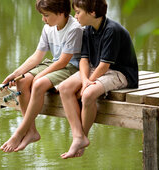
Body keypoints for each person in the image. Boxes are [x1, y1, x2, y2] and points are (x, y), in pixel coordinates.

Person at [58, 0, 139, 159]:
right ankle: (78, 137)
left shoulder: (112, 30)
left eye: (78, 12)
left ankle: (83, 135)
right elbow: (84, 60)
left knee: (88, 94)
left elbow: (105, 65)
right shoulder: (87, 29)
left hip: (120, 72)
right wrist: (84, 80)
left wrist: (87, 84)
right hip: (98, 69)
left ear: (92, 13)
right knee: (64, 88)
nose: (76, 16)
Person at [0, 0, 83, 153]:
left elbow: (64, 61)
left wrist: (40, 76)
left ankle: (19, 132)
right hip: (55, 63)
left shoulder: (75, 29)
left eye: (46, 15)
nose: (43, 19)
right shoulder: (48, 28)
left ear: (61, 13)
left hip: (71, 67)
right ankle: (31, 131)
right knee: (23, 80)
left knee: (39, 84)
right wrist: (16, 73)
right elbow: (37, 56)